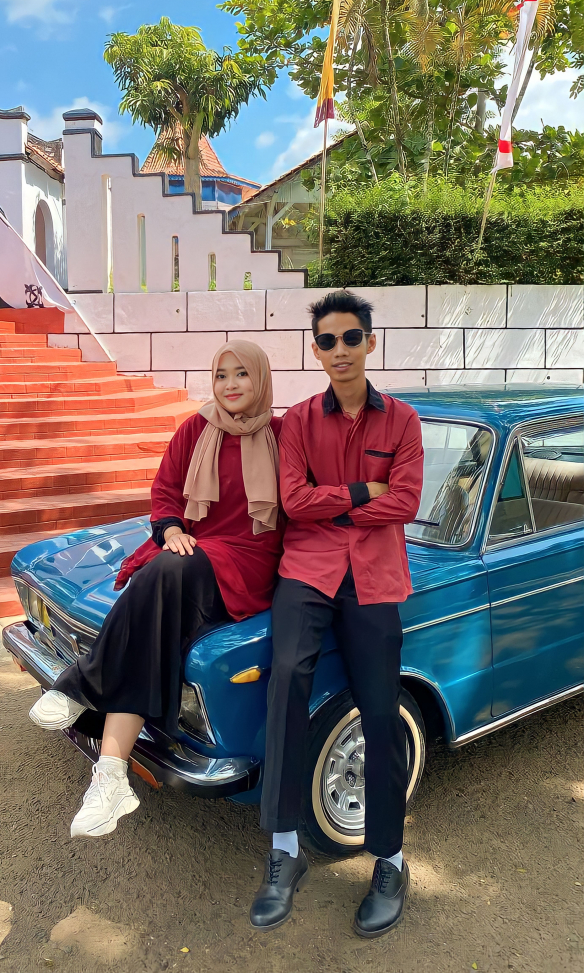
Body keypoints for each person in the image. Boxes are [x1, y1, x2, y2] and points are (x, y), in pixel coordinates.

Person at [29, 341, 284, 839]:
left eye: (242, 374)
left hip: (250, 559)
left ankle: (81, 685)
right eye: (221, 375)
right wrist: (169, 528)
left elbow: (306, 497)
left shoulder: (282, 435)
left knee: (162, 573)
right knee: (151, 629)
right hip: (191, 549)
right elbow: (166, 491)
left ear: (261, 379)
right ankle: (110, 775)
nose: (230, 385)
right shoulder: (196, 429)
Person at [249, 290, 424, 939]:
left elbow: (405, 501)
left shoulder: (402, 421)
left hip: (375, 576)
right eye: (327, 341)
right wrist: (360, 493)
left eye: (351, 337)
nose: (339, 350)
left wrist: (337, 506)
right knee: (286, 682)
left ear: (370, 343)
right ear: (316, 350)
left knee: (380, 710)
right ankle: (285, 851)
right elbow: (294, 502)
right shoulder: (298, 421)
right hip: (308, 571)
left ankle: (390, 861)